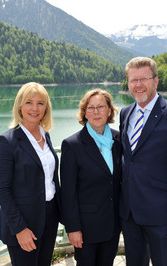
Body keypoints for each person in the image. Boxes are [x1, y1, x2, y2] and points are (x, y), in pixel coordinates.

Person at [119, 57, 167, 266]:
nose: (138, 85)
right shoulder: (126, 113)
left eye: (144, 79)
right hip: (130, 215)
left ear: (156, 80)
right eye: (133, 80)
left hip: (163, 217)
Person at [0, 82, 60, 266]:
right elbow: (2, 190)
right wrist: (20, 228)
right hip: (24, 222)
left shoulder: (45, 136)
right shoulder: (7, 142)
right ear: (19, 106)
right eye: (29, 102)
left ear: (46, 108)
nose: (35, 108)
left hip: (49, 217)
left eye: (40, 103)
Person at [60, 88, 122, 266]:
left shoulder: (118, 140)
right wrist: (73, 228)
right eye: (91, 108)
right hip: (86, 229)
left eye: (101, 107)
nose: (96, 112)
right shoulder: (72, 145)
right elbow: (68, 193)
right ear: (84, 112)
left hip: (112, 225)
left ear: (109, 111)